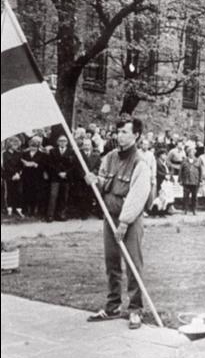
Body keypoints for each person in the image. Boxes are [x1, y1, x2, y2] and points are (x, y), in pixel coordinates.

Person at [85, 118, 152, 330]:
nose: (119, 135)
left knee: (133, 263)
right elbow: (104, 183)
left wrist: (124, 222)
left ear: (136, 135)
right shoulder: (110, 157)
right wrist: (94, 180)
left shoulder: (140, 162)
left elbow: (138, 195)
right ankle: (113, 306)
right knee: (111, 261)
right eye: (118, 131)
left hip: (129, 220)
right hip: (109, 215)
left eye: (125, 131)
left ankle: (135, 309)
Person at [45, 134, 76, 222]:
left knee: (64, 196)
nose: (62, 143)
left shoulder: (71, 151)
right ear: (58, 142)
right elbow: (50, 164)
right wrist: (58, 172)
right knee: (53, 195)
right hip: (55, 176)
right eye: (61, 141)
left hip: (66, 177)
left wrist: (65, 173)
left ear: (67, 142)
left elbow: (73, 165)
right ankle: (50, 215)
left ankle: (61, 214)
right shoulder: (53, 151)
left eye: (64, 141)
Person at [2, 137, 24, 218]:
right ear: (10, 144)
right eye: (14, 144)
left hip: (18, 176)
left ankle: (18, 209)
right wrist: (13, 174)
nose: (16, 146)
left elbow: (21, 165)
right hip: (8, 176)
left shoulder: (19, 154)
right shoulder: (4, 154)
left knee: (18, 192)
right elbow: (5, 165)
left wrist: (18, 174)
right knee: (9, 192)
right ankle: (9, 209)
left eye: (17, 144)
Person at [179, 145, 202, 215]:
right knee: (185, 196)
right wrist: (180, 180)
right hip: (186, 181)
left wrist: (200, 180)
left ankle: (194, 210)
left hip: (195, 181)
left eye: (192, 152)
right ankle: (185, 210)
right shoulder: (184, 161)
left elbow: (200, 171)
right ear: (187, 153)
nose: (191, 153)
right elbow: (181, 171)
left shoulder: (198, 160)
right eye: (189, 152)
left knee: (194, 197)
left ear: (194, 153)